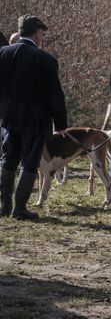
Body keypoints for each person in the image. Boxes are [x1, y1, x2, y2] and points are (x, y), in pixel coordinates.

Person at [0, 15, 68, 219]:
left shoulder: (3, 53)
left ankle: (4, 206)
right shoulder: (45, 59)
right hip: (35, 119)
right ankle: (20, 208)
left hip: (9, 116)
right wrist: (61, 123)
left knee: (8, 158)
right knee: (29, 162)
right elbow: (55, 95)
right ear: (37, 34)